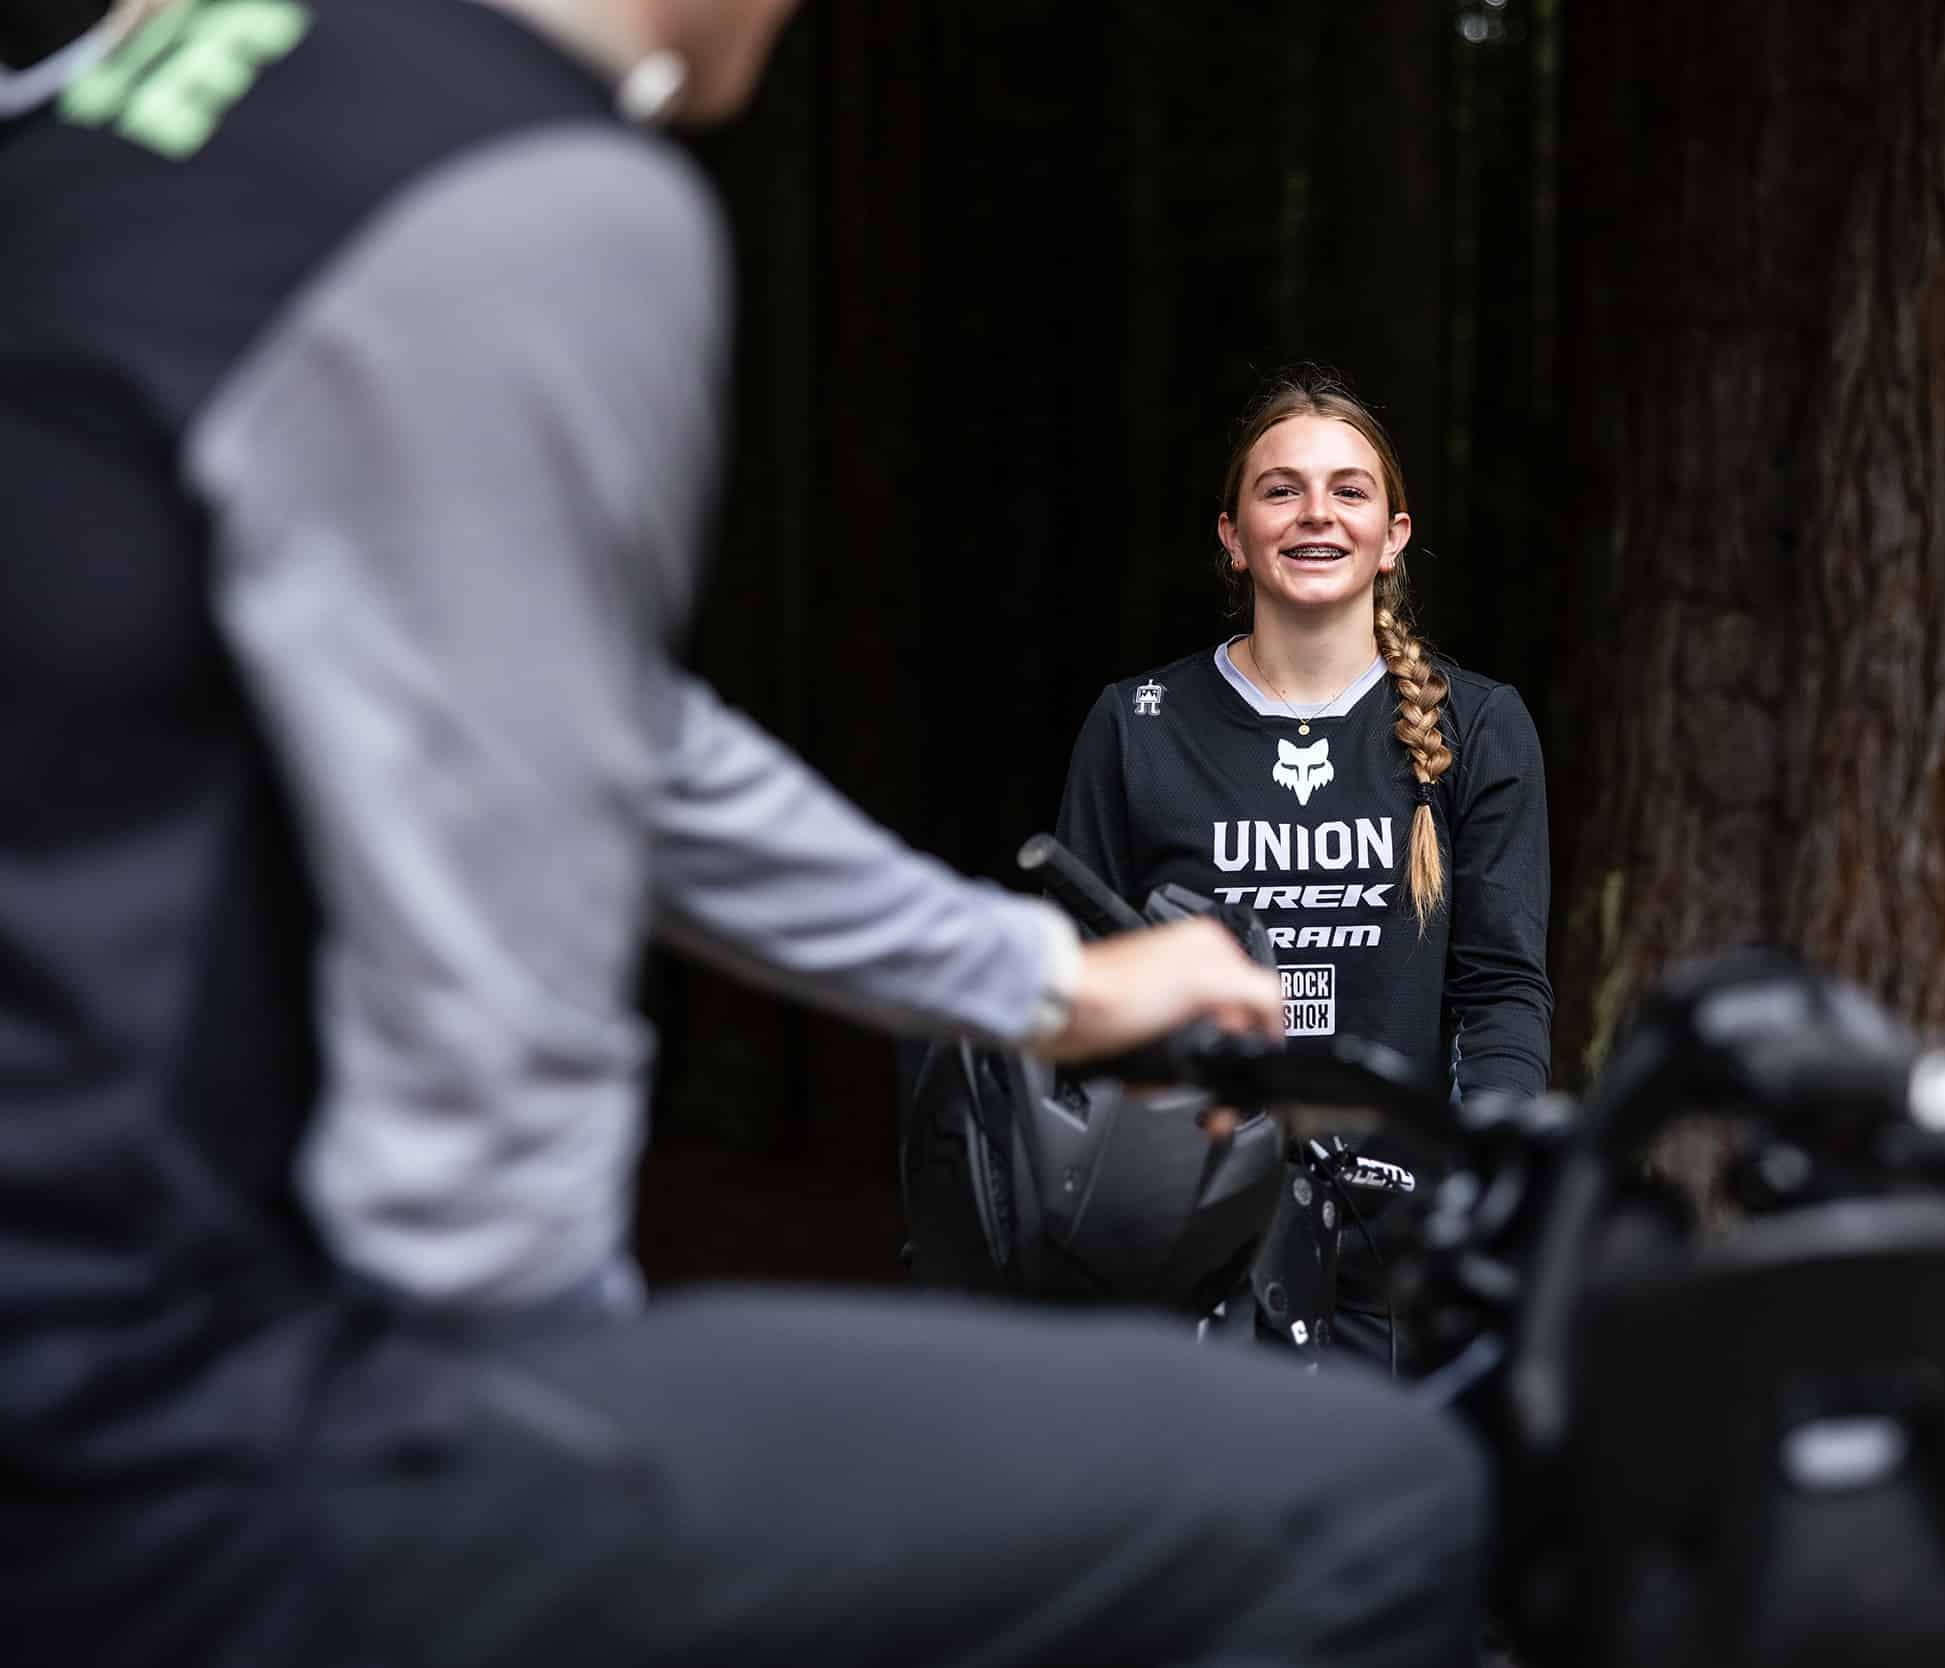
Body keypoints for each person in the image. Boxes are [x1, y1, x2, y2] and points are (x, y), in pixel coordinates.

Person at [0, 3, 1487, 1664]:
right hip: (192, 1418)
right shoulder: (532, 185)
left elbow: (583, 716)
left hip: (80, 1341)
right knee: (1375, 1493)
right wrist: (552, 1460)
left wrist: (1041, 980)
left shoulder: (163, 78)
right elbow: (492, 990)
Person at [1055, 370, 1554, 1368]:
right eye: (1280, 490)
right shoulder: (1137, 725)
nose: (1315, 514)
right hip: (1185, 1241)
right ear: (1233, 536)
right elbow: (1081, 984)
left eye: (1347, 491)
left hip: (1397, 1258)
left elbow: (1500, 993)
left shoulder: (1480, 726)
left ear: (1393, 535)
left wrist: (1483, 1192)